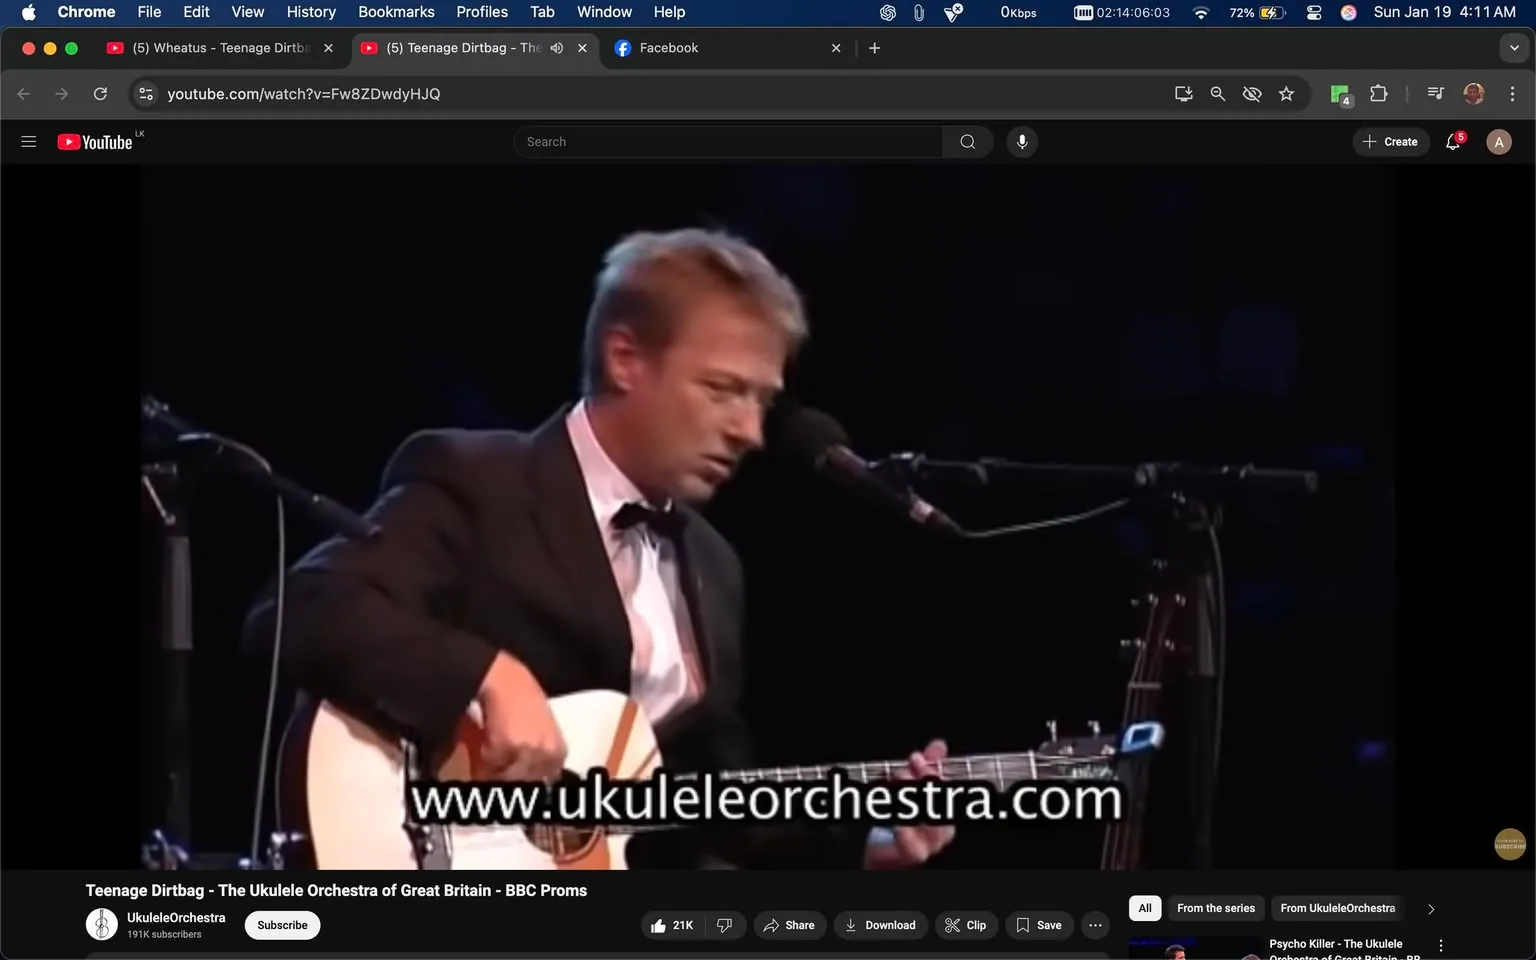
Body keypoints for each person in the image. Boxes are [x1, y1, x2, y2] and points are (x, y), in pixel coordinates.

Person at [248, 228, 955, 870]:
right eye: (723, 390)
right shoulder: (483, 480)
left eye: (761, 401)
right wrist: (486, 676)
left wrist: (868, 840)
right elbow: (301, 608)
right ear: (625, 359)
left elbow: (708, 809)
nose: (750, 432)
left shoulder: (716, 567)